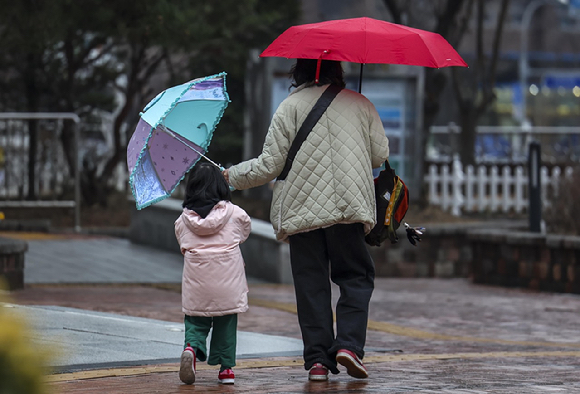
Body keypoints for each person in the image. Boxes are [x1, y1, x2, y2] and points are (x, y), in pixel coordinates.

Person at [223, 59, 389, 381]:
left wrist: (230, 176)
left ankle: (317, 361)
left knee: (311, 285)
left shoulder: (289, 107)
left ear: (298, 73)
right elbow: (378, 156)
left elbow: (269, 166)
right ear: (336, 71)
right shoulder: (360, 102)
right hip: (348, 207)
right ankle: (350, 346)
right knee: (355, 277)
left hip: (302, 210)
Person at [175, 162, 251, 385]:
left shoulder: (182, 221)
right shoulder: (236, 214)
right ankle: (226, 369)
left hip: (197, 283)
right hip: (228, 283)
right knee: (226, 321)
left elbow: (182, 244)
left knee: (196, 320)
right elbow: (244, 232)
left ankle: (192, 347)